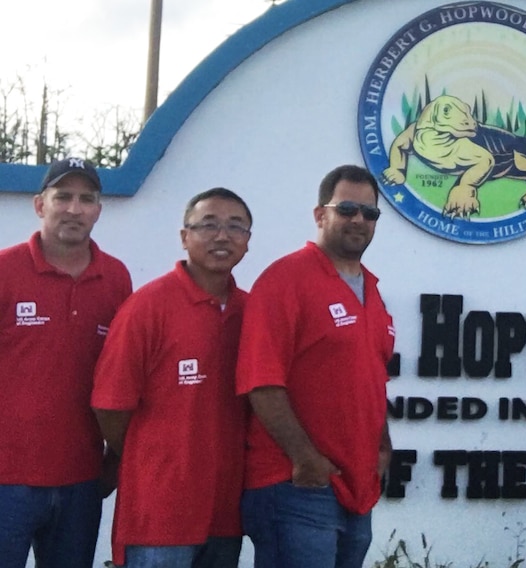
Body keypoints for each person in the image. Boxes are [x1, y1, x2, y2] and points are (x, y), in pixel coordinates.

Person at [237, 165, 396, 567]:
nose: (358, 219)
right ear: (320, 215)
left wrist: (382, 445)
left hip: (355, 487)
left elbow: (373, 379)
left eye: (369, 212)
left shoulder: (372, 290)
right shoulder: (285, 279)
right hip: (296, 485)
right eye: (346, 209)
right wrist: (305, 459)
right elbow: (262, 383)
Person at [91, 188, 253, 567]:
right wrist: (156, 459)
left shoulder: (251, 311)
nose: (222, 236)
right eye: (208, 225)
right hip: (158, 518)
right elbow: (110, 407)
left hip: (225, 514)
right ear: (184, 237)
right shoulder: (147, 308)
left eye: (235, 227)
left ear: (248, 241)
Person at [0, 157, 132, 567]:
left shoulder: (116, 279)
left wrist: (114, 459)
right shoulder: (4, 270)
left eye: (86, 198)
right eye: (64, 197)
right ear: (41, 205)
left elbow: (122, 377)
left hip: (81, 479)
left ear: (98, 209)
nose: (75, 208)